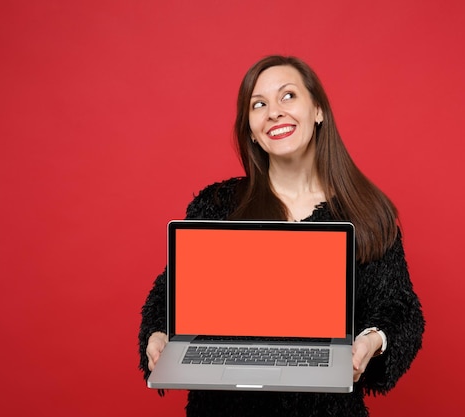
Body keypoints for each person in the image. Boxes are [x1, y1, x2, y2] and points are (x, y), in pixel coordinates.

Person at [138, 55, 425, 416]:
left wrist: (373, 341)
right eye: (259, 105)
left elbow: (400, 310)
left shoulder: (367, 213)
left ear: (318, 110)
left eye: (287, 96)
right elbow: (169, 294)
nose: (273, 112)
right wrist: (158, 335)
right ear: (252, 131)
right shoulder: (217, 206)